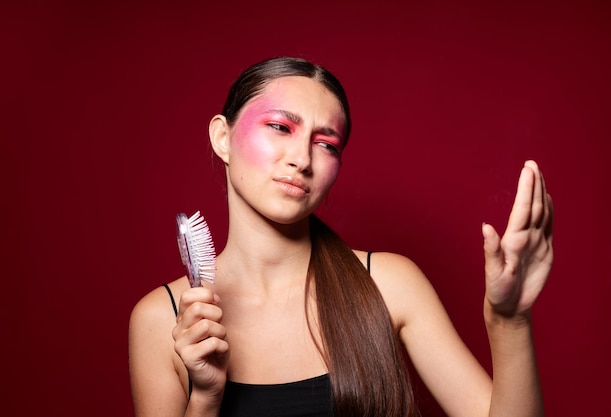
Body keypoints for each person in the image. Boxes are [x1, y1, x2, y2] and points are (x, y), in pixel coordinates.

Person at [128, 56, 554, 417]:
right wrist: (205, 398)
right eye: (280, 127)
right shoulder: (162, 320)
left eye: (326, 144)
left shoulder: (387, 284)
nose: (301, 159)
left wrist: (510, 321)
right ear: (223, 137)